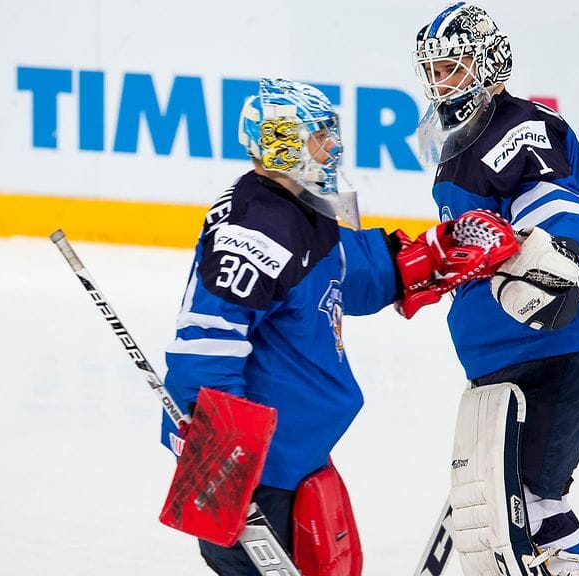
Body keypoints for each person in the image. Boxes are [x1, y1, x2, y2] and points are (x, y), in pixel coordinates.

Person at [159, 77, 516, 576]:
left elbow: (344, 272)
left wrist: (423, 259)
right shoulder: (254, 230)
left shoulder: (295, 209)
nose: (333, 146)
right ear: (282, 142)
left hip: (296, 451)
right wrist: (221, 456)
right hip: (256, 467)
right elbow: (208, 340)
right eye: (319, 135)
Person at [405, 3, 579, 575]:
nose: (440, 82)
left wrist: (561, 251)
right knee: (505, 510)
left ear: (488, 63)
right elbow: (474, 242)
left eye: (452, 67)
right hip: (504, 345)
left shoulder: (524, 129)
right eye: (433, 70)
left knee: (533, 499)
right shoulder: (458, 144)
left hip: (562, 343)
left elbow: (555, 205)